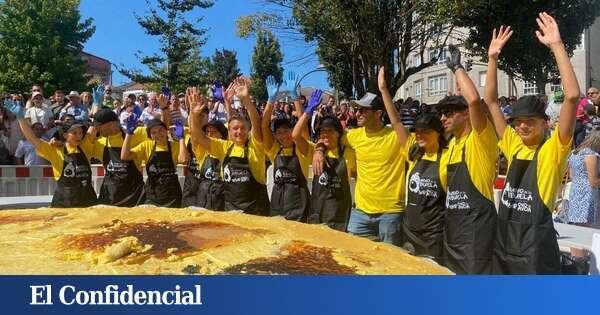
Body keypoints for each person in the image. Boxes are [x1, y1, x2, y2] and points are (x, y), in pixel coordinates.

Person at [484, 14, 580, 274]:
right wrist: (492, 59)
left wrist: (557, 46)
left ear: (545, 123)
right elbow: (491, 102)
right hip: (504, 245)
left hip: (536, 251)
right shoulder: (513, 146)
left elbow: (572, 96)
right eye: (518, 122)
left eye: (529, 121)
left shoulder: (553, 150)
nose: (522, 126)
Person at [313, 91, 407, 246]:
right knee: (355, 257)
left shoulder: (396, 137)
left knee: (392, 261)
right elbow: (328, 137)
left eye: (363, 110)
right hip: (360, 213)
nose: (357, 113)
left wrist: (383, 89)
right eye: (357, 110)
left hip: (391, 213)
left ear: (378, 114)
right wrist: (319, 149)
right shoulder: (354, 136)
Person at [438, 44, 499, 274]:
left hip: (476, 238)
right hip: (452, 234)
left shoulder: (480, 140)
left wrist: (456, 67)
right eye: (442, 113)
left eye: (450, 112)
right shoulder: (451, 146)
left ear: (466, 115)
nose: (443, 118)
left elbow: (474, 101)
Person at [377, 66, 448, 263]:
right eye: (417, 132)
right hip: (409, 231)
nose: (420, 135)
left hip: (434, 235)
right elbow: (397, 122)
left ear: (438, 133)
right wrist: (384, 90)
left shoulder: (448, 158)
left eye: (425, 131)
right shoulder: (413, 153)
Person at [189, 77, 270, 215]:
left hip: (256, 214)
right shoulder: (224, 147)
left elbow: (256, 122)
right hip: (230, 214)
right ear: (229, 131)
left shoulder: (255, 146)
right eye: (235, 128)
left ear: (248, 130)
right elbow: (199, 137)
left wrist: (246, 100)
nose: (239, 131)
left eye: (242, 128)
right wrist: (194, 115)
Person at [5, 100, 97, 207]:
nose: (79, 136)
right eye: (75, 133)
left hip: (88, 201)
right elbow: (33, 139)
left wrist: (96, 105)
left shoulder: (84, 147)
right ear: (65, 135)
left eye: (81, 133)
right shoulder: (55, 150)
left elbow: (93, 127)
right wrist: (21, 118)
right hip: (65, 203)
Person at [294, 90, 355, 231]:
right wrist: (308, 111)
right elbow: (296, 135)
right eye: (323, 131)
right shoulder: (313, 149)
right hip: (317, 210)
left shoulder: (349, 153)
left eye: (330, 131)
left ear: (338, 133)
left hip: (340, 214)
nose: (326, 134)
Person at [261, 74, 311, 221]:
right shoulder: (274, 150)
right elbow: (264, 125)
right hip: (277, 205)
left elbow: (302, 127)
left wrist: (295, 97)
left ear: (292, 130)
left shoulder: (302, 148)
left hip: (300, 207)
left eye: (286, 131)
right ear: (275, 135)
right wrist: (271, 100)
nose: (283, 136)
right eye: (279, 133)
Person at [121, 108, 186, 207]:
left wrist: (181, 138)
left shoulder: (174, 146)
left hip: (172, 195)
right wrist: (129, 134)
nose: (158, 134)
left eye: (161, 130)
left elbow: (183, 160)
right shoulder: (146, 145)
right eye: (154, 132)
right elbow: (125, 156)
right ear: (150, 135)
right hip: (152, 194)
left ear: (166, 131)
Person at [83, 108, 146, 207]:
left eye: (98, 126)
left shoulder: (135, 133)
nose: (96, 129)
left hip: (135, 196)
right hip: (110, 196)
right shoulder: (100, 142)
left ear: (111, 124)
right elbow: (84, 148)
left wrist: (164, 109)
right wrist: (96, 106)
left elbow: (161, 131)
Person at [567, 130, 600, 227]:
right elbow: (593, 181)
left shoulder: (574, 153)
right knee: (587, 226)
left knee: (578, 225)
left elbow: (571, 176)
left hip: (575, 191)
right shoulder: (591, 155)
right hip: (587, 194)